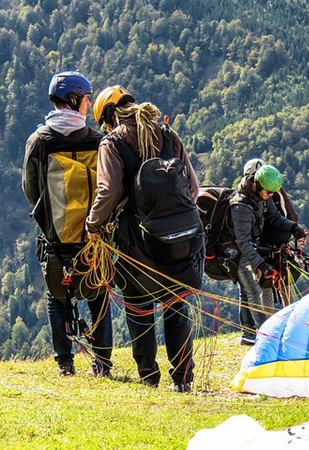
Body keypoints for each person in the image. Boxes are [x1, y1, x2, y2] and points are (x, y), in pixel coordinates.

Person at [85, 85, 203, 393]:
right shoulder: (168, 135)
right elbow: (193, 188)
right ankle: (183, 380)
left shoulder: (113, 143)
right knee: (177, 307)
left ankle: (149, 377)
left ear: (108, 118)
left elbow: (108, 191)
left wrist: (93, 224)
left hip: (135, 241)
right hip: (181, 239)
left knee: (139, 308)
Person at [22, 71, 113, 377]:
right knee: (99, 295)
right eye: (87, 98)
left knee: (56, 297)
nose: (88, 104)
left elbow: (30, 188)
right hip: (93, 236)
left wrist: (48, 217)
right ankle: (103, 363)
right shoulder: (97, 140)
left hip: (56, 238)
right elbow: (109, 185)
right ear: (75, 100)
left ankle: (65, 363)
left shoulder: (39, 141)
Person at [228, 164, 307, 345]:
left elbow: (274, 217)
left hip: (253, 248)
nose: (271, 196)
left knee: (251, 292)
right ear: (256, 185)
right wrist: (261, 265)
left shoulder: (262, 197)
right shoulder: (240, 206)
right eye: (268, 193)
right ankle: (266, 338)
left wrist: (294, 229)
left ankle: (253, 334)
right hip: (238, 253)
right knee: (253, 292)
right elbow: (243, 243)